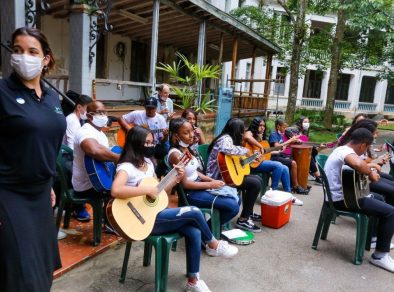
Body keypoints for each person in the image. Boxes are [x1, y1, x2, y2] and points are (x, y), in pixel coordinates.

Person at [111, 126, 238, 292]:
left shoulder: (148, 163)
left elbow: (160, 192)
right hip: (140, 221)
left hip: (153, 213)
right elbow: (116, 190)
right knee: (193, 211)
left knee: (194, 231)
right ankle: (213, 244)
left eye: (151, 142)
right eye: (147, 143)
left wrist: (175, 178)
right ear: (136, 144)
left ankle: (193, 280)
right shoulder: (126, 167)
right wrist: (146, 190)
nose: (151, 146)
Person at [0, 27, 66, 292]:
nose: (22, 57)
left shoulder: (51, 97)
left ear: (46, 58)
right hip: (8, 193)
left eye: (31, 51)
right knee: (21, 275)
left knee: (41, 270)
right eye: (17, 51)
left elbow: (46, 143)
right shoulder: (2, 92)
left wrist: (48, 181)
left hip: (40, 194)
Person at [324, 128, 394, 272]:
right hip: (342, 200)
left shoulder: (342, 149)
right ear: (363, 145)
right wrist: (371, 173)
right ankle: (380, 256)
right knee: (391, 212)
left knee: (380, 198)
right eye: (367, 147)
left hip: (344, 196)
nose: (365, 151)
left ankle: (375, 238)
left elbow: (358, 165)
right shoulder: (346, 152)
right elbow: (357, 164)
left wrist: (371, 168)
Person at [168, 118, 240, 226]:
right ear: (176, 136)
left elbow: (194, 172)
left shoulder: (187, 149)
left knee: (237, 198)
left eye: (192, 131)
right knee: (233, 206)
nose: (191, 135)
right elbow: (185, 184)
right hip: (191, 193)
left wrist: (211, 179)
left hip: (200, 186)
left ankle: (211, 229)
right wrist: (211, 184)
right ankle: (208, 232)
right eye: (186, 133)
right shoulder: (175, 155)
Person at [206, 118, 263, 232]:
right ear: (237, 130)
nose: (243, 134)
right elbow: (227, 149)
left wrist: (252, 158)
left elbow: (239, 162)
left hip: (228, 174)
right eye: (242, 131)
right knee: (255, 183)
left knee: (257, 179)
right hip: (217, 178)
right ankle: (243, 219)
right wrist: (245, 150)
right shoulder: (225, 139)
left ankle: (248, 213)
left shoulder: (231, 139)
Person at [72, 101, 120, 233]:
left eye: (105, 112)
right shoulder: (85, 132)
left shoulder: (100, 133)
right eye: (100, 113)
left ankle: (112, 219)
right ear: (89, 116)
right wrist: (120, 159)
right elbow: (93, 151)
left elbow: (106, 152)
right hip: (87, 185)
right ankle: (111, 222)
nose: (104, 115)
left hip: (96, 179)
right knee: (121, 187)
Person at [244, 118, 303, 206]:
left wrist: (277, 151)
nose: (262, 128)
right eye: (260, 125)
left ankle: (289, 195)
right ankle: (273, 193)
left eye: (263, 126)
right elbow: (247, 137)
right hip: (251, 162)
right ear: (254, 125)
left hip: (260, 160)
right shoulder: (250, 133)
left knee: (285, 168)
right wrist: (260, 146)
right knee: (278, 165)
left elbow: (265, 151)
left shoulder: (261, 136)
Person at [118, 97, 169, 176]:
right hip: (136, 144)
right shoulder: (137, 114)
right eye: (148, 108)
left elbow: (162, 141)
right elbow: (120, 118)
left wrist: (165, 136)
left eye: (153, 108)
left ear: (156, 108)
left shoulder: (160, 119)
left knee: (167, 150)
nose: (150, 110)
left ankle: (159, 172)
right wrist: (129, 129)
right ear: (145, 107)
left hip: (152, 145)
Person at [62, 94, 93, 222]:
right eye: (87, 109)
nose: (88, 113)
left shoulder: (80, 120)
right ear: (79, 107)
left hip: (70, 155)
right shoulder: (72, 120)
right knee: (82, 171)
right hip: (65, 157)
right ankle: (78, 207)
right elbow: (71, 147)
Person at [268, 118, 309, 194]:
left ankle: (297, 184)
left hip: (280, 155)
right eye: (283, 127)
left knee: (294, 160)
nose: (285, 129)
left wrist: (294, 141)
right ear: (278, 127)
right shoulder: (273, 134)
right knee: (293, 163)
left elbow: (284, 146)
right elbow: (277, 147)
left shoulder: (281, 134)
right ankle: (296, 186)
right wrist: (290, 140)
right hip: (273, 157)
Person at [285, 116, 323, 184]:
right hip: (291, 149)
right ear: (300, 123)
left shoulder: (305, 131)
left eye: (308, 122)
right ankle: (317, 175)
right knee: (308, 155)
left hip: (299, 149)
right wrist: (295, 138)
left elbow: (304, 142)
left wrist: (319, 146)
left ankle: (311, 171)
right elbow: (287, 129)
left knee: (313, 151)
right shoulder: (296, 128)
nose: (307, 123)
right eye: (305, 122)